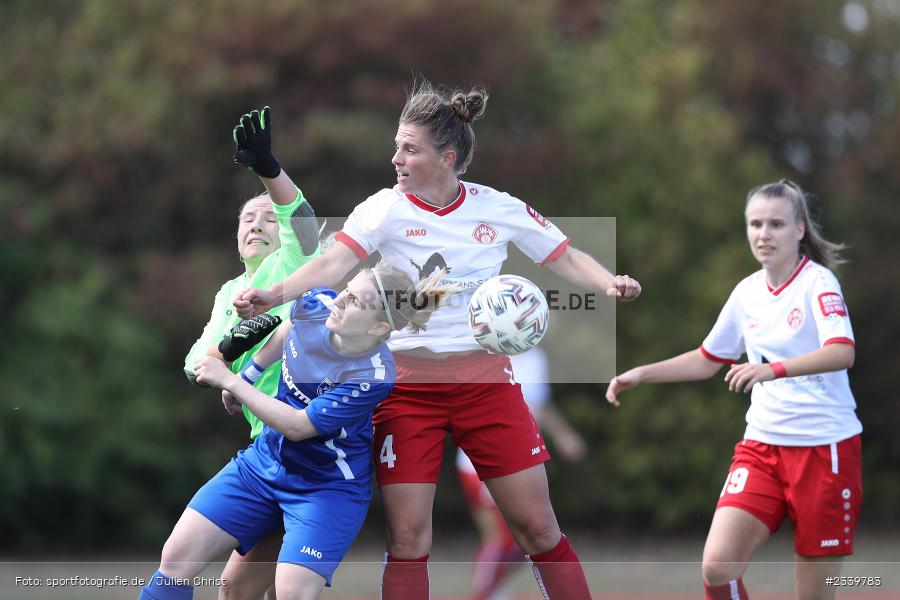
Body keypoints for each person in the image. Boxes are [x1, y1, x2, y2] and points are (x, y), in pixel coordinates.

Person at [233, 78, 641, 600]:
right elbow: (334, 262)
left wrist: (608, 282)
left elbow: (562, 254)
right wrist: (275, 292)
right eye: (397, 146)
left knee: (538, 530)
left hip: (486, 383)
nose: (396, 159)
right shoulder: (384, 208)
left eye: (410, 149)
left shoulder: (496, 208)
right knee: (407, 538)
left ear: (447, 157)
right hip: (404, 387)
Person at [139, 262, 456, 600]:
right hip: (263, 465)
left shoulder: (374, 374)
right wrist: (250, 372)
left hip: (326, 489)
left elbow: (298, 426)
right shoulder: (317, 303)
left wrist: (230, 379)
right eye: (348, 290)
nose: (341, 300)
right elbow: (291, 325)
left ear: (379, 327)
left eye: (356, 302)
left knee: (291, 594)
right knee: (177, 558)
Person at [606, 179, 860, 600]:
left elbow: (842, 351)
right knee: (717, 566)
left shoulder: (819, 283)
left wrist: (772, 370)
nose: (764, 234)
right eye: (755, 224)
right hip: (762, 447)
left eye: (776, 224)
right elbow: (708, 359)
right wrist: (641, 373)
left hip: (824, 449)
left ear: (799, 229)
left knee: (814, 594)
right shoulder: (746, 292)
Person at [182, 106, 321, 600]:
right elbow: (197, 360)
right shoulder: (227, 293)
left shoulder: (294, 264)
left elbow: (301, 219)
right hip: (267, 445)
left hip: (314, 446)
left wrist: (268, 169)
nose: (256, 223)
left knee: (271, 590)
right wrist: (228, 345)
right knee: (235, 592)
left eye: (266, 217)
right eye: (247, 217)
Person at [456, 347, 587, 600]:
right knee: (502, 539)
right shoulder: (483, 351)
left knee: (529, 537)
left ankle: (493, 590)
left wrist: (563, 435)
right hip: (480, 461)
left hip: (521, 456)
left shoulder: (537, 357)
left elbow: (539, 403)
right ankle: (484, 594)